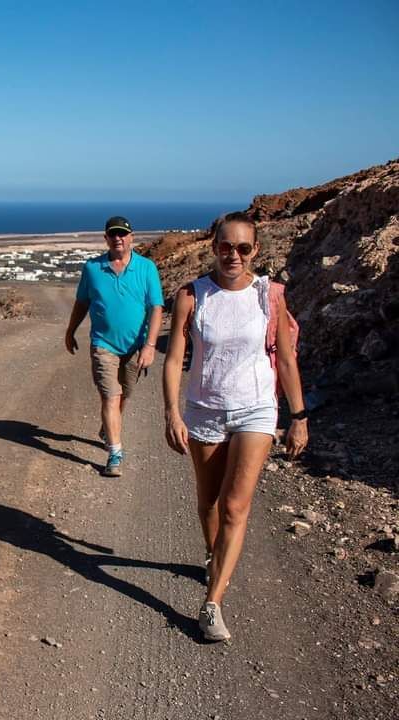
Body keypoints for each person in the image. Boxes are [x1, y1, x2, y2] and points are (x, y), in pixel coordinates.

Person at [163, 211, 308, 642]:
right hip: (205, 410)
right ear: (214, 248)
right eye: (226, 247)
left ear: (255, 251)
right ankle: (214, 556)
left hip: (256, 410)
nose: (234, 256)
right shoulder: (193, 296)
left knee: (234, 507)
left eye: (243, 248)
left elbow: (285, 359)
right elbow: (174, 360)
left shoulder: (270, 297)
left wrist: (298, 418)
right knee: (208, 501)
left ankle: (212, 603)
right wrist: (172, 412)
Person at [65, 215, 164, 477]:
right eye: (113, 234)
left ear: (132, 237)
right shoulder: (92, 268)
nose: (118, 238)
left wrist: (150, 346)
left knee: (124, 396)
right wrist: (71, 330)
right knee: (111, 396)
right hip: (103, 344)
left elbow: (156, 308)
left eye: (123, 234)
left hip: (136, 346)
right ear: (106, 238)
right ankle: (115, 454)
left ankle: (108, 428)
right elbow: (82, 303)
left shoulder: (146, 268)